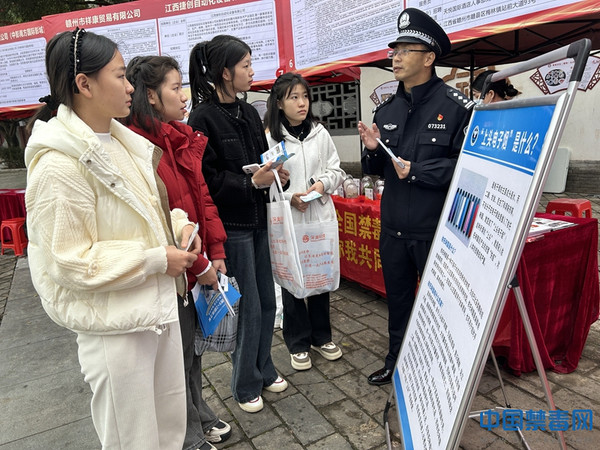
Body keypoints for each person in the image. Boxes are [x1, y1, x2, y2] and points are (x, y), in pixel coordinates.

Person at [24, 29, 199, 449]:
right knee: (133, 440)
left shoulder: (120, 143)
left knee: (169, 429)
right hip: (115, 330)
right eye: (120, 76)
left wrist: (179, 227)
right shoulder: (57, 166)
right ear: (84, 84)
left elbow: (143, 215)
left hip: (155, 311)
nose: (130, 87)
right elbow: (69, 260)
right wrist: (156, 259)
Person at [358, 9, 473, 386]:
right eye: (395, 50)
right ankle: (397, 362)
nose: (396, 57)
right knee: (399, 302)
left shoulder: (456, 108)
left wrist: (419, 170)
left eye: (406, 50)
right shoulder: (386, 110)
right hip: (393, 229)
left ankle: (446, 373)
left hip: (435, 232)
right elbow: (376, 169)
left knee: (443, 305)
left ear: (429, 58)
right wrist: (372, 150)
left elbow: (466, 168)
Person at [123, 55, 231, 450]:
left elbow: (202, 199)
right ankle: (187, 438)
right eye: (175, 87)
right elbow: (165, 220)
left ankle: (197, 414)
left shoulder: (180, 137)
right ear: (151, 95)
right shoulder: (138, 149)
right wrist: (200, 264)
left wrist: (215, 250)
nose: (184, 96)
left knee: (191, 351)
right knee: (176, 360)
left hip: (193, 265)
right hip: (172, 270)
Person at [187, 35, 290, 413]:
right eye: (245, 65)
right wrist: (249, 183)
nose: (251, 71)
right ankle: (245, 382)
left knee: (267, 301)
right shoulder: (202, 117)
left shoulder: (247, 112)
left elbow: (261, 160)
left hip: (259, 219)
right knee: (246, 306)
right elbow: (205, 180)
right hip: (231, 227)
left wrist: (276, 174)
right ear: (225, 72)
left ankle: (264, 367)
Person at [264, 72, 345, 371]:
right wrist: (289, 198)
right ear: (279, 103)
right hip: (290, 220)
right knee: (292, 278)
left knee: (319, 273)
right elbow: (266, 183)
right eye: (294, 97)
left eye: (305, 97)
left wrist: (322, 185)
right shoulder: (271, 138)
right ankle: (297, 342)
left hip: (319, 215)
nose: (302, 103)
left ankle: (322, 337)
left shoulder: (319, 133)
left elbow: (337, 171)